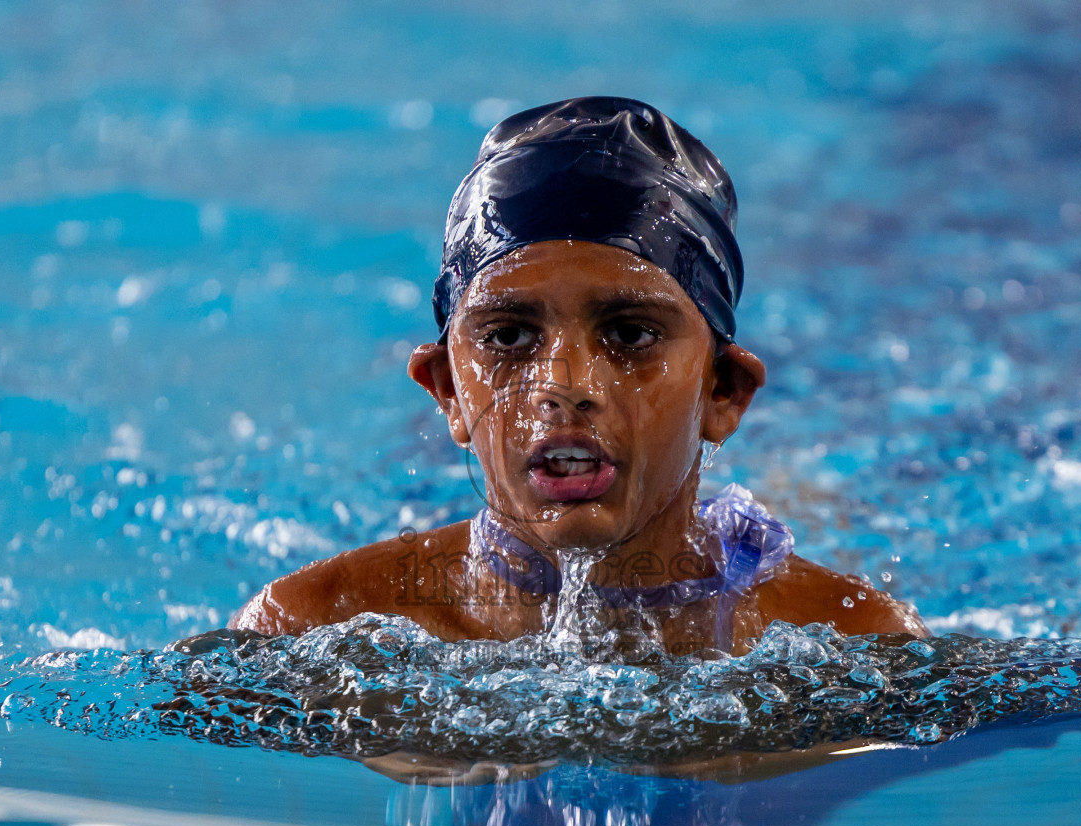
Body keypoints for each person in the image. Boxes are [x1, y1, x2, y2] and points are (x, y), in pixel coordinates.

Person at [232, 97, 923, 655]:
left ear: (722, 392)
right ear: (447, 390)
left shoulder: (858, 643)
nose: (563, 382)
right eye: (507, 336)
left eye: (630, 333)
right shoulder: (311, 628)